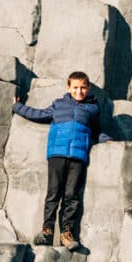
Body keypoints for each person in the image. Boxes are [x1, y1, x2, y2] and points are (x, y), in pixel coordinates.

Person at [13, 71, 110, 251]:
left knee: (71, 196)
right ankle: (47, 231)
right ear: (68, 87)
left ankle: (67, 234)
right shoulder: (59, 104)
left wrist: (107, 140)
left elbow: (97, 131)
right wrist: (18, 107)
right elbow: (39, 114)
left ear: (88, 88)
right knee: (53, 193)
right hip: (57, 154)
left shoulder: (93, 109)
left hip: (78, 157)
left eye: (82, 87)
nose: (79, 91)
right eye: (75, 87)